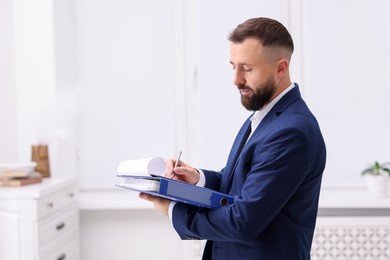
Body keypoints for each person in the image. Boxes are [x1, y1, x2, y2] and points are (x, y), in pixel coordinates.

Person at [140, 17, 326, 260]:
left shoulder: (291, 132)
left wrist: (174, 210)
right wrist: (198, 178)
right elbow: (239, 185)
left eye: (247, 69)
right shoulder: (266, 118)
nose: (236, 79)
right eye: (233, 66)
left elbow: (243, 220)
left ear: (281, 67)